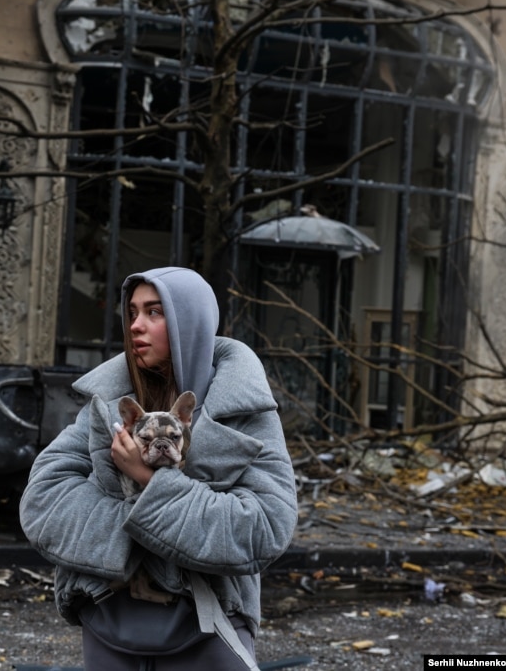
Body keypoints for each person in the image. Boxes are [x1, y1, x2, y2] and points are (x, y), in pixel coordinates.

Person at [19, 266, 298, 670]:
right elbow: (43, 503)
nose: (136, 325)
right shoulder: (106, 404)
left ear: (191, 322)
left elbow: (264, 527)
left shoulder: (243, 409)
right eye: (131, 312)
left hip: (210, 622)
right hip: (108, 620)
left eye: (154, 312)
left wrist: (147, 479)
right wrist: (157, 525)